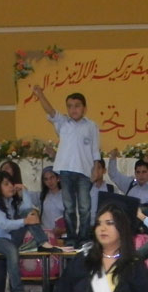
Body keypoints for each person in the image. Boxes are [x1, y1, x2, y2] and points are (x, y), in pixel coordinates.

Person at [31, 86, 101, 246]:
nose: (73, 109)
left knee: (84, 207)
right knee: (69, 207)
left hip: (84, 172)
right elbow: (50, 111)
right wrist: (40, 94)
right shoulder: (63, 123)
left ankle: (84, 238)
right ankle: (71, 237)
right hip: (66, 172)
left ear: (84, 108)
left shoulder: (91, 126)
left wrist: (96, 168)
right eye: (69, 106)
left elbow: (95, 150)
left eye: (77, 106)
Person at [0, 171, 48, 292]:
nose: (11, 187)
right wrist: (25, 221)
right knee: (11, 252)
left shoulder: (11, 203)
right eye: (6, 184)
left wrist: (24, 192)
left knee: (29, 212)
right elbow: (4, 225)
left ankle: (43, 241)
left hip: (10, 238)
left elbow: (27, 209)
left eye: (11, 183)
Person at [38, 166, 67, 239]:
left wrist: (63, 230)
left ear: (58, 178)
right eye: (46, 179)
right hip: (46, 236)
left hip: (63, 236)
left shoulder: (66, 196)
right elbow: (25, 195)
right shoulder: (42, 196)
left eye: (52, 177)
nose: (49, 181)